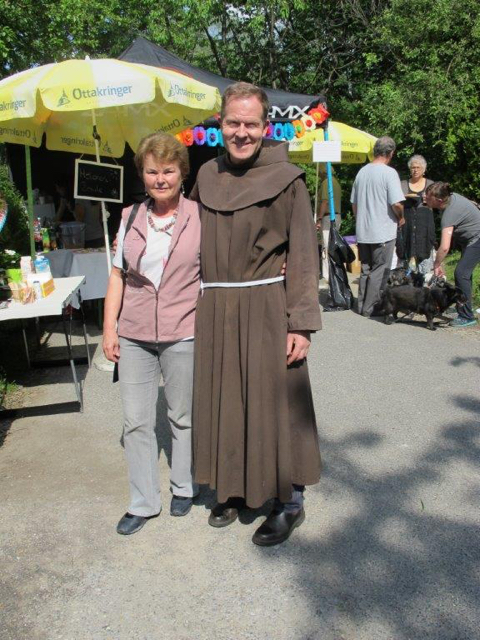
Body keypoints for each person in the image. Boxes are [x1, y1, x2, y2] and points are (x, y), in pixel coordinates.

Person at [191, 82, 322, 547]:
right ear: (220, 124)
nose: (241, 133)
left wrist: (301, 323)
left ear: (265, 127)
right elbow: (187, 236)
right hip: (218, 307)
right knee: (228, 398)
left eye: (250, 124)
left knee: (279, 400)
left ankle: (290, 501)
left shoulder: (288, 178)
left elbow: (303, 253)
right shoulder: (206, 174)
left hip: (267, 304)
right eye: (233, 123)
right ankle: (234, 487)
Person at [102, 132, 201, 535]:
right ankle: (143, 502)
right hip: (135, 332)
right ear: (142, 175)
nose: (160, 179)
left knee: (182, 415)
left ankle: (184, 485)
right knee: (136, 421)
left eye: (168, 171)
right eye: (152, 171)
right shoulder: (129, 217)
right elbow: (117, 276)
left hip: (184, 329)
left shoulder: (200, 216)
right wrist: (109, 328)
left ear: (182, 173)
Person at [350, 136, 405, 317]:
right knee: (379, 269)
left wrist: (360, 220)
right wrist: (401, 217)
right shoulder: (389, 173)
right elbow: (396, 203)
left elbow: (354, 204)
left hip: (363, 230)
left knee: (366, 268)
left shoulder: (361, 172)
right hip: (382, 231)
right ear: (391, 153)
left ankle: (361, 305)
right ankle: (371, 307)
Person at [425, 182, 480, 327]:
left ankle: (466, 316)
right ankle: (463, 306)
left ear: (439, 200)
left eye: (428, 197)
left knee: (461, 273)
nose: (425, 198)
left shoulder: (449, 214)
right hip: (471, 239)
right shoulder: (451, 197)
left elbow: (444, 247)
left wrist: (437, 264)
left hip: (477, 238)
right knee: (465, 274)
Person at [400, 155, 435, 272]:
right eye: (413, 167)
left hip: (425, 223)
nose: (415, 170)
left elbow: (436, 204)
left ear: (424, 169)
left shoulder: (430, 184)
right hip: (407, 222)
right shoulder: (402, 184)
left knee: (424, 251)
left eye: (418, 167)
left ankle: (424, 276)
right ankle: (408, 276)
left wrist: (428, 201)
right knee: (407, 250)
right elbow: (396, 203)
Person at [316, 165, 342, 283]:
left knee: (326, 246)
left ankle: (327, 275)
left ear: (323, 172)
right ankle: (334, 271)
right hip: (336, 216)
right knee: (333, 246)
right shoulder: (336, 182)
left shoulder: (326, 182)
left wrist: (319, 218)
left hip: (327, 217)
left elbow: (325, 202)